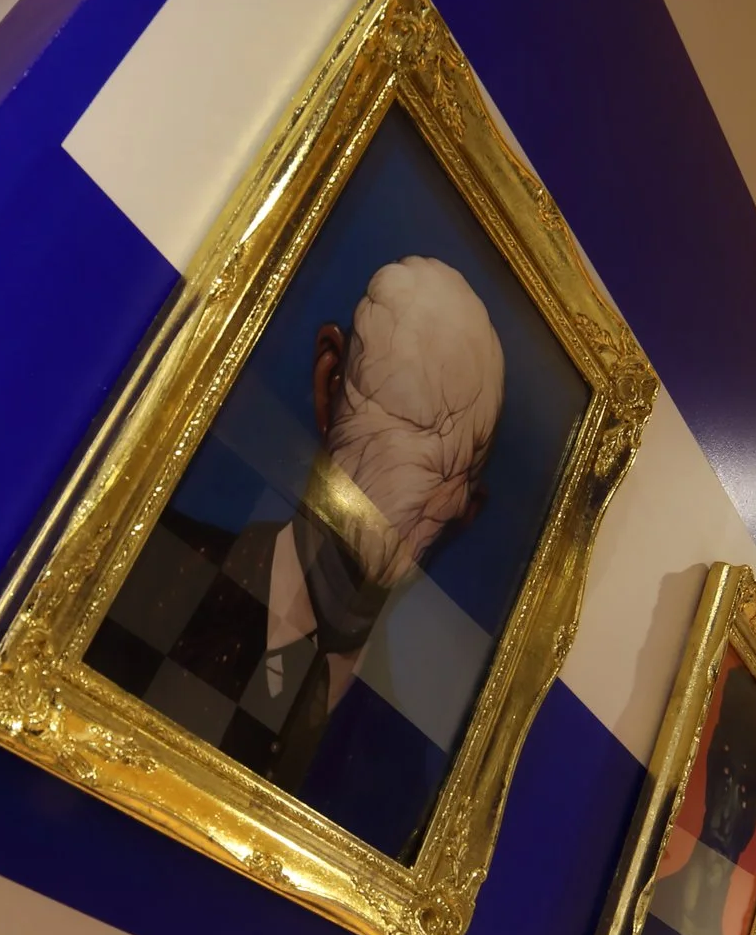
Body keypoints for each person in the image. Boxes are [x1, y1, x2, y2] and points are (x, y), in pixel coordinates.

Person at [86, 255, 505, 805]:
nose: (381, 523)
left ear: (468, 511)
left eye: (434, 477)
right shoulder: (142, 575)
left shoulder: (393, 773)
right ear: (327, 383)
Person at [630, 668, 756, 935]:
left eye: (745, 790)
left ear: (754, 816)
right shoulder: (642, 912)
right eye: (725, 778)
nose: (728, 811)